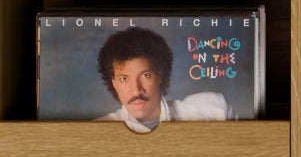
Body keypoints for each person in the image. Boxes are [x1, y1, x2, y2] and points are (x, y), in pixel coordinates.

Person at [95, 25, 230, 131]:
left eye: (146, 75)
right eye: (124, 79)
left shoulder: (212, 110)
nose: (136, 91)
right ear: (113, 82)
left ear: (159, 74)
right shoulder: (96, 131)